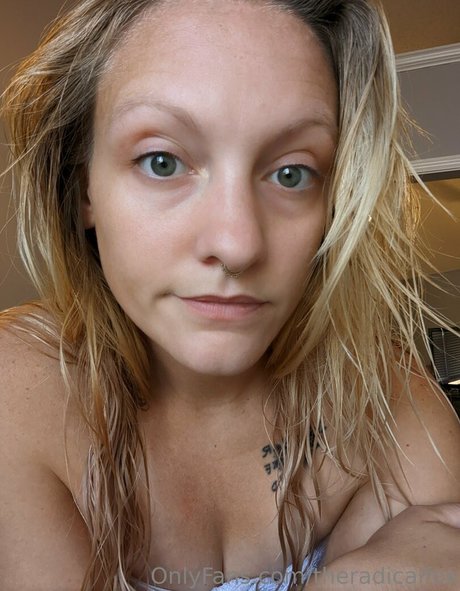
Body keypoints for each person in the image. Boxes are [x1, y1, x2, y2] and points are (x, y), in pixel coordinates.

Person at [0, 0, 459, 590]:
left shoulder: (395, 413)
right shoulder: (17, 397)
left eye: (291, 173)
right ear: (82, 185)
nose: (237, 244)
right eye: (162, 162)